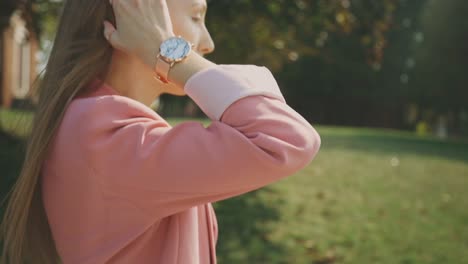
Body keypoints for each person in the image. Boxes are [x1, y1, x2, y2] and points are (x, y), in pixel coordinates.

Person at [0, 0, 321, 263]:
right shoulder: (102, 131)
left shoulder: (100, 124)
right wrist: (168, 51)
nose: (207, 44)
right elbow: (286, 139)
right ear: (136, 17)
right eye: (196, 17)